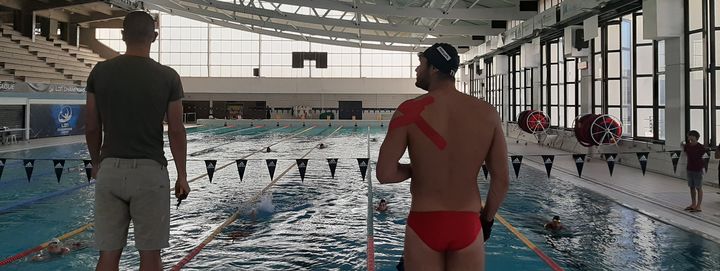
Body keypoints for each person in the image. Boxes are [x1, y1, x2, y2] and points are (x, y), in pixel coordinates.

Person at [376, 43, 509, 270]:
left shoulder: (408, 110)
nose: (416, 71)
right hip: (467, 222)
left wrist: (417, 168)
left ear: (434, 68)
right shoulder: (487, 113)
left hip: (424, 222)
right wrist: (486, 221)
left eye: (420, 65)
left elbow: (385, 174)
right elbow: (502, 180)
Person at [85, 11, 190, 271]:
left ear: (122, 36)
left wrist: (97, 162)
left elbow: (91, 126)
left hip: (110, 170)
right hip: (149, 173)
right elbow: (176, 130)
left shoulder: (100, 71)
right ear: (154, 37)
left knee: (108, 255)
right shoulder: (168, 76)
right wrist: (182, 175)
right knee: (151, 257)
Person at [682, 130, 704, 212]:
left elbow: (705, 158)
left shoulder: (701, 147)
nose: (689, 137)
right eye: (688, 136)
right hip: (690, 168)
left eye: (690, 135)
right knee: (691, 187)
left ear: (695, 137)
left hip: (698, 169)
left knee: (699, 187)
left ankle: (698, 206)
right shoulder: (687, 146)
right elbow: (685, 154)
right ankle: (693, 204)